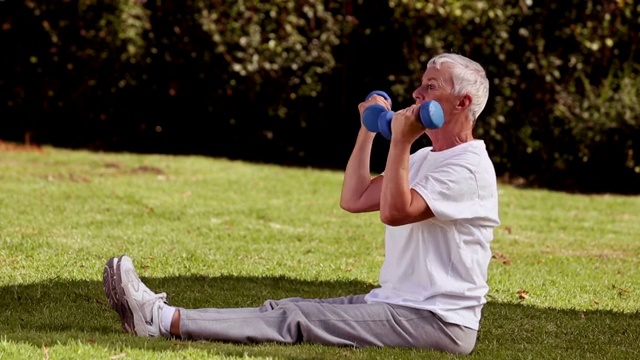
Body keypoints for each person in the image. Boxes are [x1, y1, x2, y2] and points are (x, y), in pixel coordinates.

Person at [102, 52, 500, 355]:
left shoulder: (469, 169)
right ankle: (164, 318)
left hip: (437, 320)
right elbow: (355, 197)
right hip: (400, 303)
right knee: (288, 306)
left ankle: (162, 321)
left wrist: (399, 139)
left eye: (430, 87)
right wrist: (369, 130)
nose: (417, 94)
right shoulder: (426, 158)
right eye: (421, 84)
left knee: (297, 319)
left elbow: (395, 213)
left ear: (462, 103)